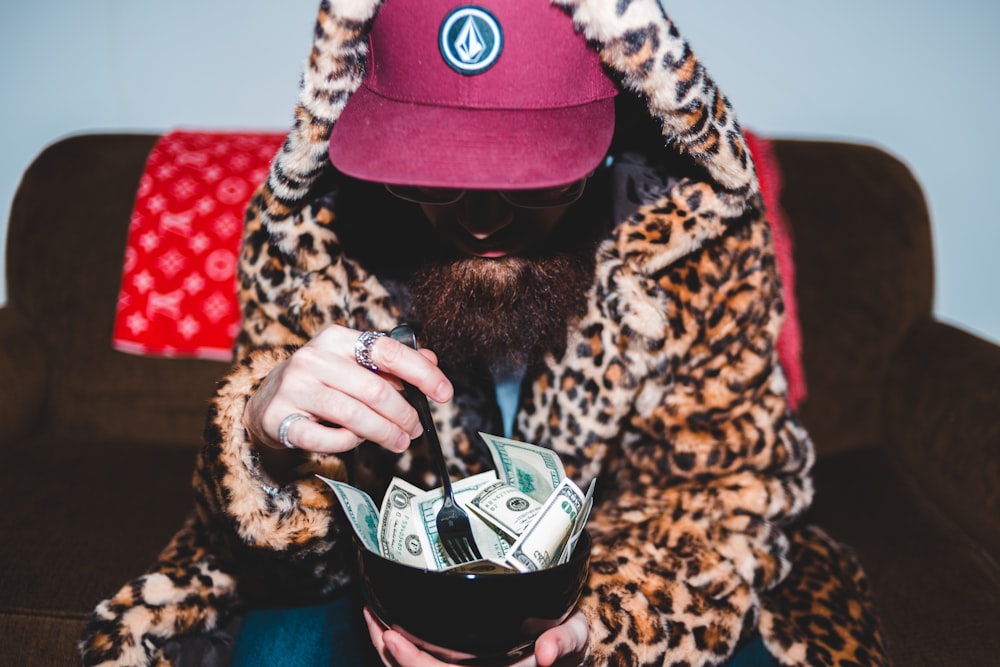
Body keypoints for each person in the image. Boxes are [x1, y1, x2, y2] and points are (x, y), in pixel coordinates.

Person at [79, 0, 889, 665]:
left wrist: (587, 629)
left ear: (611, 135)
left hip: (625, 572)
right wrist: (265, 437)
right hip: (380, 586)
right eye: (431, 169)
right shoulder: (312, 239)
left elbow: (720, 500)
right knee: (281, 649)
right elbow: (295, 554)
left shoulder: (697, 240)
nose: (480, 218)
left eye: (531, 172)